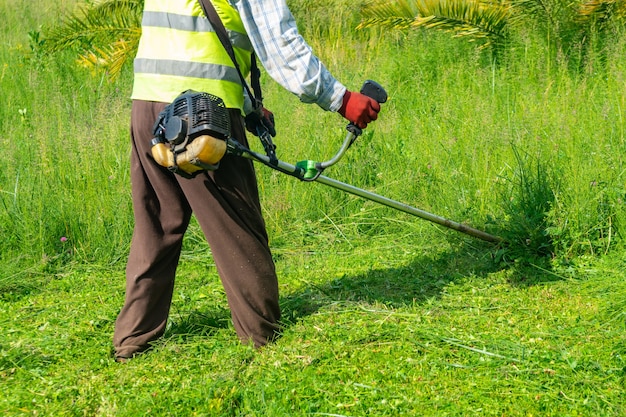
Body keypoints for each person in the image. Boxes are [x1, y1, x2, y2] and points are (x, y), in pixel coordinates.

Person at [113, 0, 381, 362]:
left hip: (147, 103)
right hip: (202, 112)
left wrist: (251, 107)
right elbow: (279, 43)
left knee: (155, 226)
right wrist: (342, 99)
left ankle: (132, 339)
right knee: (236, 223)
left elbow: (204, 33)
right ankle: (262, 333)